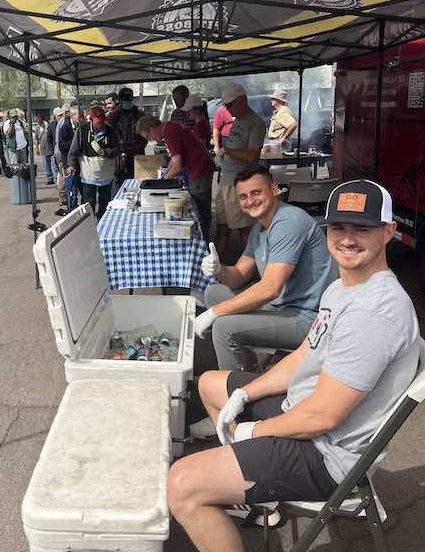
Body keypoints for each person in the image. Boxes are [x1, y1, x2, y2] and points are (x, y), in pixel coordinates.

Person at [167, 179, 419, 552]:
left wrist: (252, 429)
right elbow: (306, 354)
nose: (347, 238)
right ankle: (249, 495)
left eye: (362, 229)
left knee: (182, 484)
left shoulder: (376, 310)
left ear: (388, 231)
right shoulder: (344, 288)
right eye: (338, 227)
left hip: (328, 456)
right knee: (210, 385)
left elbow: (321, 417)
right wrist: (246, 397)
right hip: (301, 414)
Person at [192, 163, 336, 393]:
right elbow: (238, 276)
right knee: (213, 292)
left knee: (223, 327)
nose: (250, 201)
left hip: (311, 316)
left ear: (274, 189)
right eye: (243, 196)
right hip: (284, 306)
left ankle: (232, 403)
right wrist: (219, 268)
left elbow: (270, 289)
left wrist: (213, 313)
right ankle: (248, 370)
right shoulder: (260, 229)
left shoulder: (288, 221)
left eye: (256, 192)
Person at [136, 115, 214, 239]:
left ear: (152, 128)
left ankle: (204, 242)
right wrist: (164, 177)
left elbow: (177, 165)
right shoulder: (169, 128)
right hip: (198, 168)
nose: (150, 140)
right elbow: (174, 159)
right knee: (199, 207)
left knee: (200, 209)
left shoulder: (170, 132)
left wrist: (161, 183)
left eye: (147, 136)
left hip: (199, 169)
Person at [215, 82, 266, 255]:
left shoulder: (255, 122)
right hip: (227, 180)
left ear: (243, 100)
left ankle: (250, 275)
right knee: (222, 225)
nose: (228, 109)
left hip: (240, 184)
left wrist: (227, 150)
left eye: (230, 104)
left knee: (244, 230)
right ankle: (219, 266)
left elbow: (252, 155)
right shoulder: (239, 120)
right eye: (226, 105)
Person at [68, 106, 119, 220]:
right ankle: (90, 224)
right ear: (90, 119)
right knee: (89, 202)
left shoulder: (110, 131)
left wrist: (106, 152)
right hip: (88, 175)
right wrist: (71, 165)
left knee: (105, 201)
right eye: (98, 122)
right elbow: (73, 151)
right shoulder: (82, 131)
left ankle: (102, 223)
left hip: (106, 175)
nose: (100, 125)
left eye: (102, 122)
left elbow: (116, 149)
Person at [112, 86, 145, 195]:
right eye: (125, 100)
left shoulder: (139, 114)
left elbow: (146, 133)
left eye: (129, 100)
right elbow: (109, 136)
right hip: (120, 158)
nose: (127, 102)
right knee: (120, 188)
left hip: (137, 156)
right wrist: (116, 152)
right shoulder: (113, 115)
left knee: (138, 186)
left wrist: (139, 147)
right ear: (120, 100)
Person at [60, 101, 83, 211]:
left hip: (80, 163)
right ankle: (71, 210)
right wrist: (75, 142)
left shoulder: (81, 126)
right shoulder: (65, 126)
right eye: (79, 117)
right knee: (71, 190)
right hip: (69, 164)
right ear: (73, 116)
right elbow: (61, 145)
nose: (81, 119)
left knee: (81, 188)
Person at [35, 116, 55, 185]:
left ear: (42, 120)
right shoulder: (37, 127)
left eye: (39, 120)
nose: (38, 122)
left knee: (53, 164)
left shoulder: (48, 125)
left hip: (51, 148)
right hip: (43, 149)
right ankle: (50, 178)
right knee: (46, 165)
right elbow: (37, 138)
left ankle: (55, 177)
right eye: (37, 121)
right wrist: (37, 148)